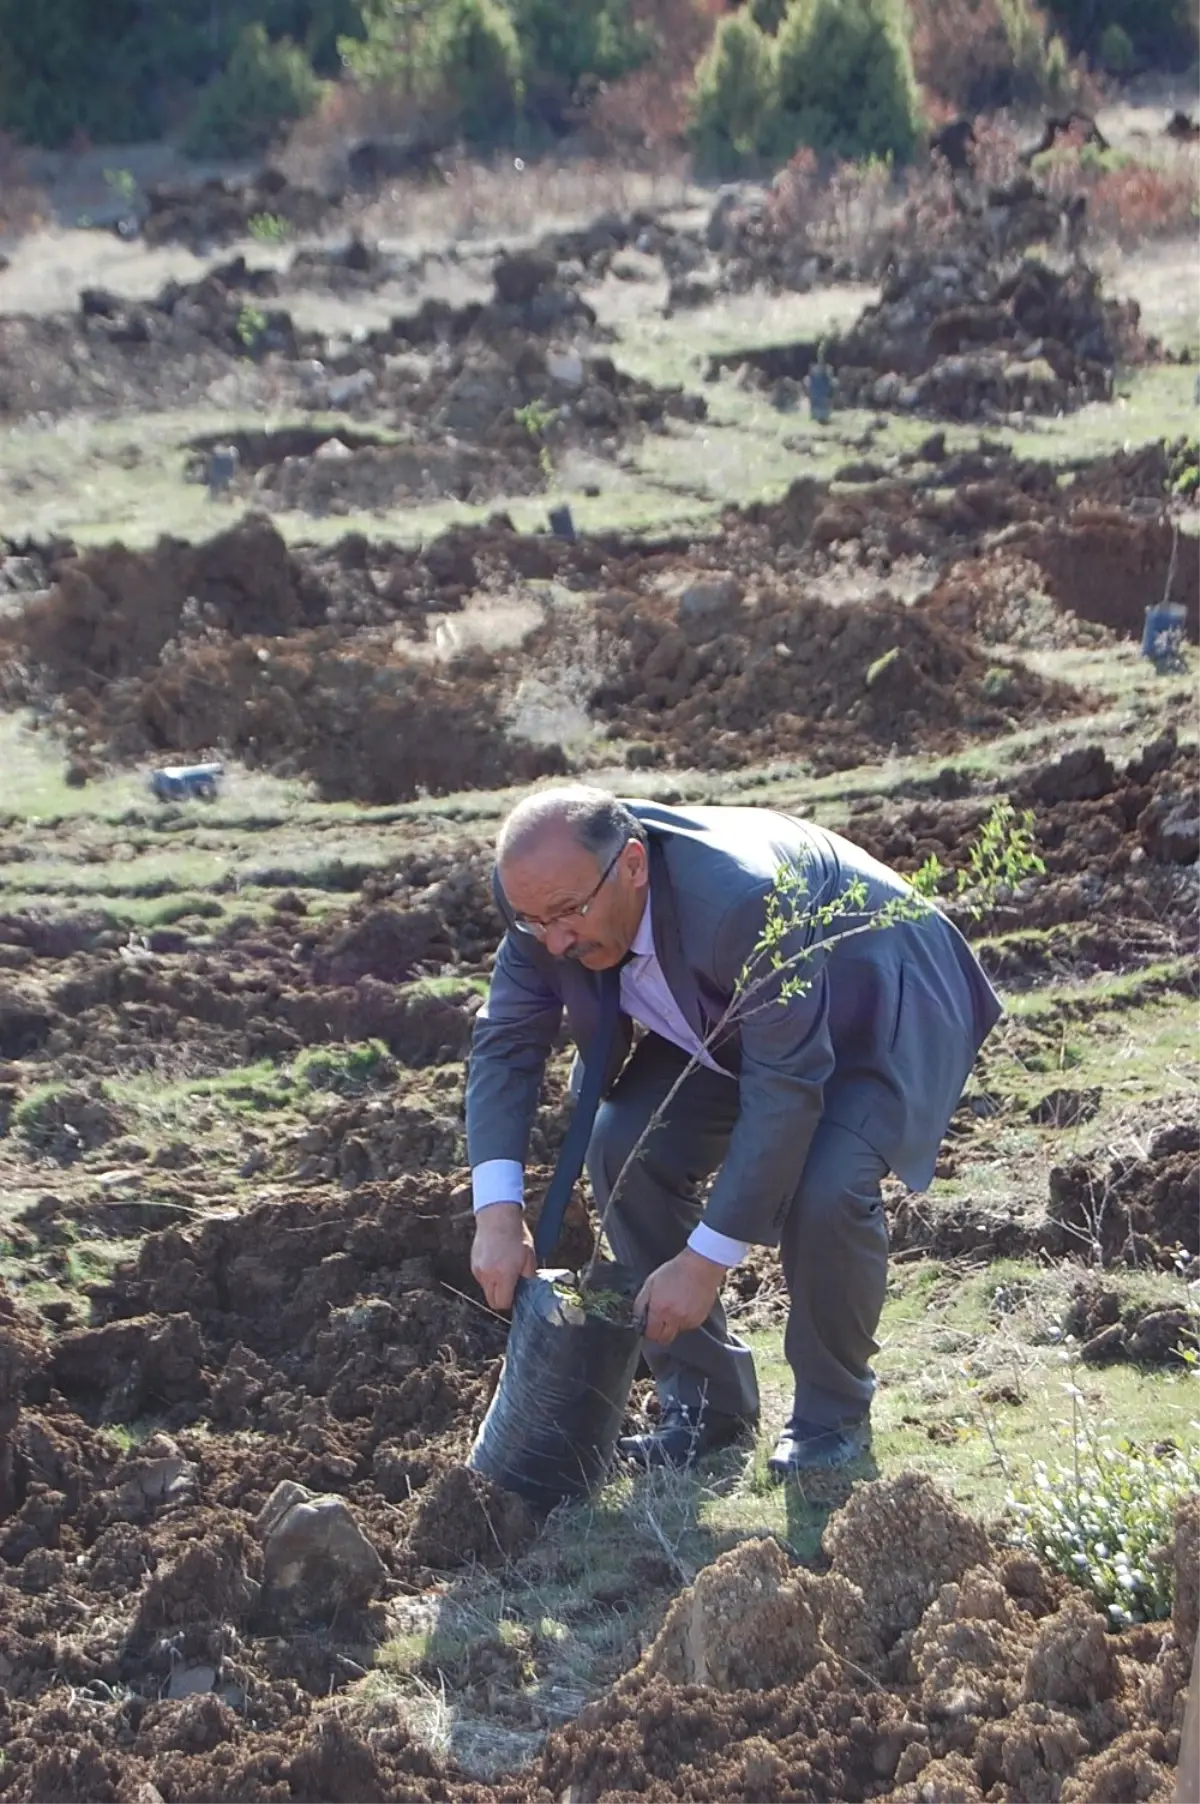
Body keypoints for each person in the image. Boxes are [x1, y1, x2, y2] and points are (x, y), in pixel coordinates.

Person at [467, 787, 1001, 1477]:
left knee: (827, 1188)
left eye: (570, 914)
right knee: (624, 1140)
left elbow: (787, 1088)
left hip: (874, 999)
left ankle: (830, 1421)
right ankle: (706, 1408)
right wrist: (498, 1214)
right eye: (536, 922)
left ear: (633, 865)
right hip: (730, 1010)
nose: (557, 941)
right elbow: (506, 1045)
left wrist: (705, 1263)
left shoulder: (740, 901)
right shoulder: (541, 901)